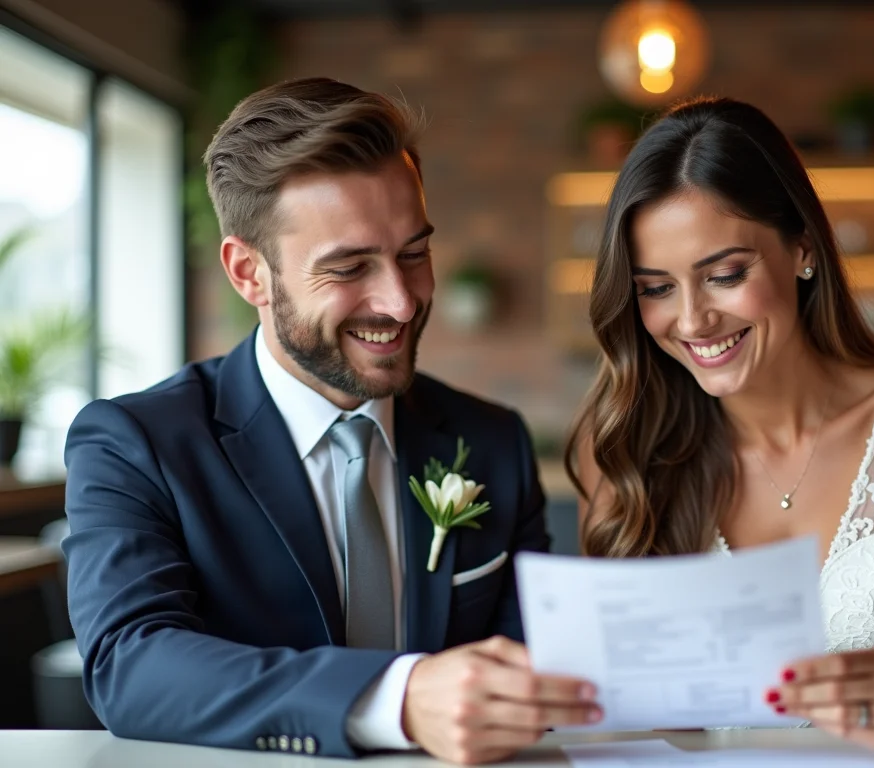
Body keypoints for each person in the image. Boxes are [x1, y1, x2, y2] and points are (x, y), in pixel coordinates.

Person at [62, 78, 598, 765]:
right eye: (349, 267)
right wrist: (395, 698)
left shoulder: (491, 442)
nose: (402, 303)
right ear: (249, 273)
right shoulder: (136, 445)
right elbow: (130, 666)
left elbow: (534, 665)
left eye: (414, 253)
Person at [566, 97, 874, 751]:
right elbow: (640, 723)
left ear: (802, 246)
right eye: (656, 288)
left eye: (724, 275)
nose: (691, 321)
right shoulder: (624, 453)